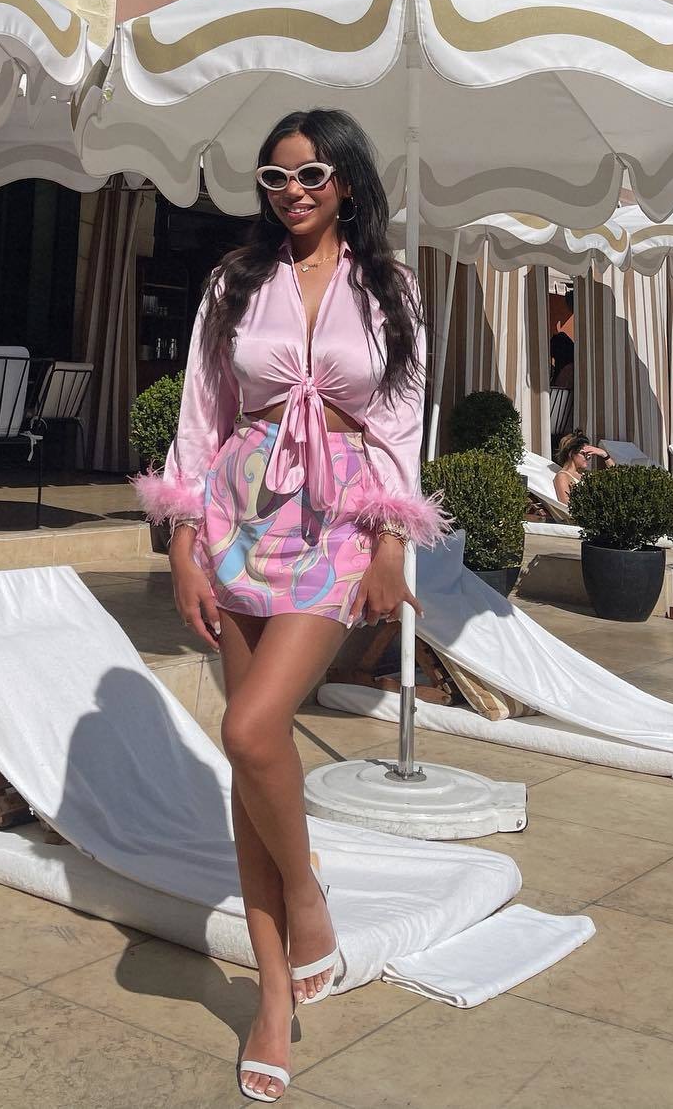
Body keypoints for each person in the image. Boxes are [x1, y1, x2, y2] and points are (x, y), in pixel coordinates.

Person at [135, 108, 446, 1103]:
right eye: (275, 177)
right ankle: (272, 996)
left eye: (311, 174)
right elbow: (200, 413)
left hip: (340, 519)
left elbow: (399, 420)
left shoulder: (390, 286)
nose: (293, 192)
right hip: (239, 512)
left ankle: (307, 898)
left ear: (346, 181)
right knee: (250, 761)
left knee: (250, 726)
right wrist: (182, 540)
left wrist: (393, 540)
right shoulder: (235, 281)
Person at [553, 429, 613, 507]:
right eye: (584, 454)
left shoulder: (585, 475)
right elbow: (566, 506)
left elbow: (616, 477)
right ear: (571, 453)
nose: (588, 457)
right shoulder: (563, 476)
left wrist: (604, 455)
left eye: (589, 454)